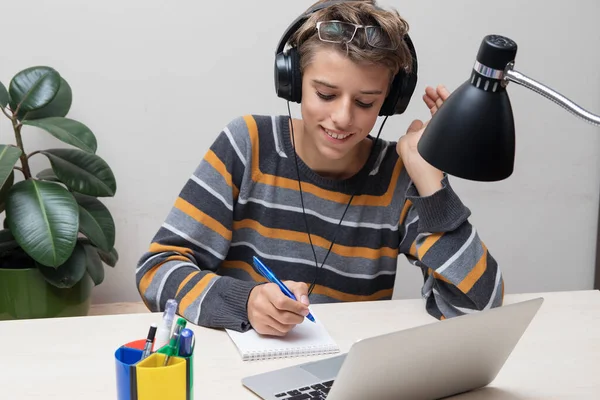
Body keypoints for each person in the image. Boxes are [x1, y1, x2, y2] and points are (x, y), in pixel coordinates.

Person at [136, 0, 504, 337]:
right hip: (239, 365)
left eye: (365, 101)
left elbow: (479, 308)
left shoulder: (398, 175)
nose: (343, 118)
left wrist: (431, 181)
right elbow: (157, 269)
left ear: (391, 100)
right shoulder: (247, 144)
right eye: (325, 95)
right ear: (292, 83)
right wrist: (244, 301)